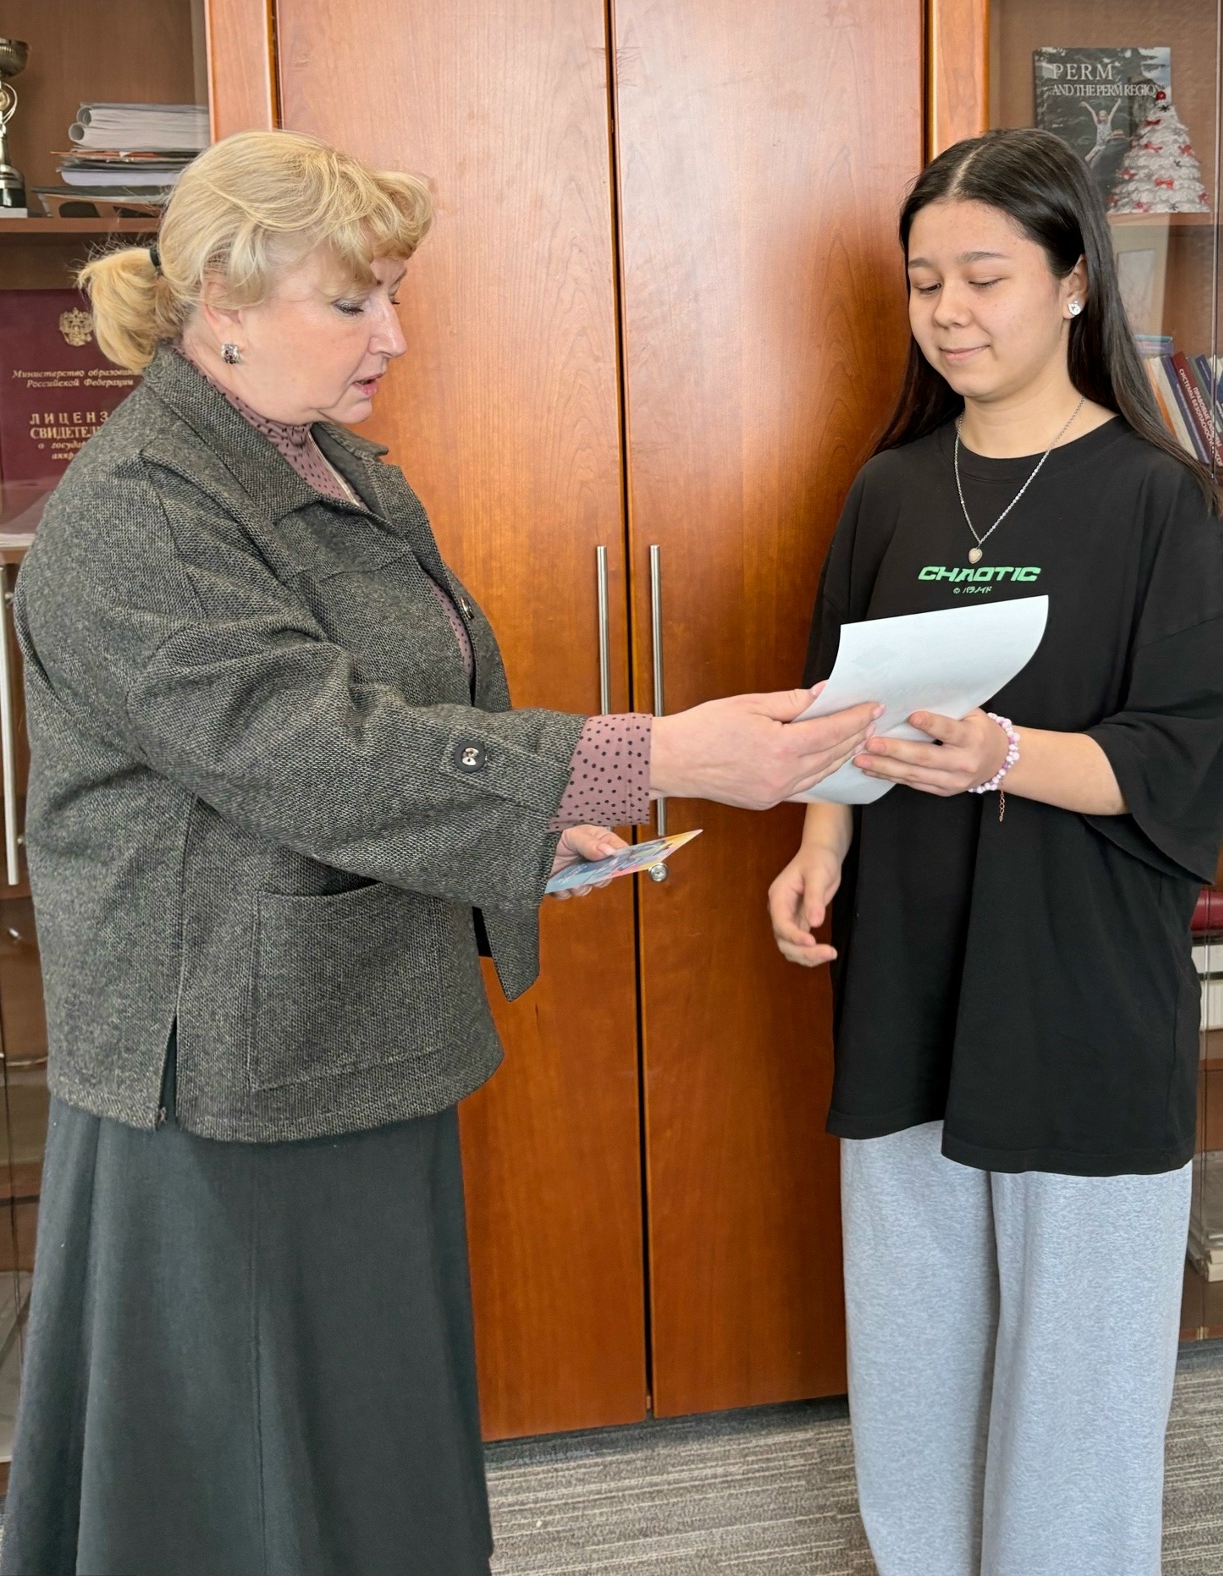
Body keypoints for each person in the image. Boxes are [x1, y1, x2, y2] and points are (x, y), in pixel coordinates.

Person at [0, 129, 879, 1576]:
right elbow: (316, 746)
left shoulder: (324, 460)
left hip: (344, 1016)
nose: (393, 337)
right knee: (248, 1476)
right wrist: (651, 754)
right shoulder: (140, 509)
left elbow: (409, 708)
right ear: (222, 300)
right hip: (227, 1066)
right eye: (353, 302)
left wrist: (533, 817)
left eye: (394, 295)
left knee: (364, 1431)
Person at [769, 128, 1223, 1576]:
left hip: (1081, 977)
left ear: (1074, 280)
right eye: (925, 282)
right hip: (911, 958)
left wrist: (1003, 755)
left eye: (984, 277)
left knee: (1078, 1368)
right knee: (914, 1336)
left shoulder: (1158, 499)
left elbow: (1178, 756)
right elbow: (836, 695)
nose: (949, 311)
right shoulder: (890, 488)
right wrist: (820, 839)